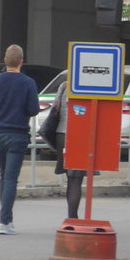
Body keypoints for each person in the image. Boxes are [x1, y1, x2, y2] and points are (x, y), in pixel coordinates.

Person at [0, 44, 40, 235]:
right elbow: (33, 110)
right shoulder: (28, 83)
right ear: (21, 61)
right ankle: (4, 222)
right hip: (18, 135)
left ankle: (7, 220)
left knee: (4, 176)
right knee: (11, 178)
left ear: (5, 61)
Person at [45, 80, 87, 220]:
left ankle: (71, 217)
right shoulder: (89, 86)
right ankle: (73, 218)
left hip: (61, 135)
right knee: (76, 180)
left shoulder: (64, 85)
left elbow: (55, 107)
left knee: (70, 178)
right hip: (80, 134)